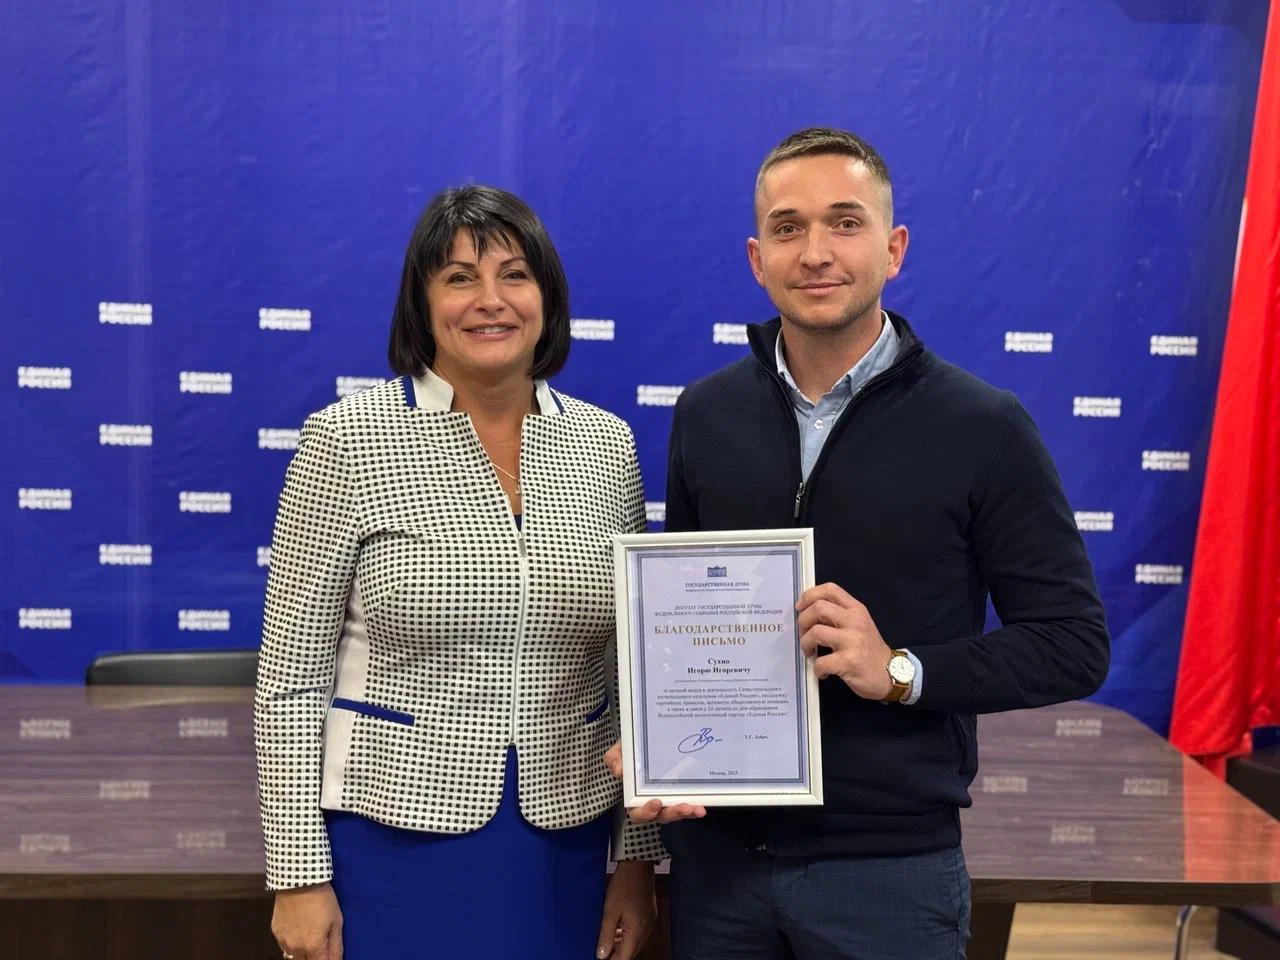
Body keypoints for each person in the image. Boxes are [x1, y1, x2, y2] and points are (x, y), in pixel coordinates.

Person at [610, 127, 1110, 959]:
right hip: (719, 870)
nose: (816, 252)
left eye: (845, 222)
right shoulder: (706, 414)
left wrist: (903, 672)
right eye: (788, 227)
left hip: (888, 874)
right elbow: (683, 629)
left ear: (893, 248)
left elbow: (1072, 645)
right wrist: (663, 746)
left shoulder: (983, 426)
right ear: (757, 259)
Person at [255, 185, 664, 960]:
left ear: (547, 297)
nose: (490, 300)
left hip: (565, 843)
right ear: (422, 302)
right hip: (392, 839)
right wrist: (297, 875)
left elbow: (629, 677)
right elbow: (289, 680)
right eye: (459, 278)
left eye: (514, 275)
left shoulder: (606, 447)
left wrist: (638, 861)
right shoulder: (346, 440)